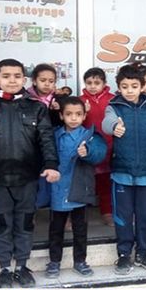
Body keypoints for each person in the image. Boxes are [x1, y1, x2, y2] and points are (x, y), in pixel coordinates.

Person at [0, 59, 60, 288]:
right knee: (2, 225)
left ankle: (21, 266)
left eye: (17, 76)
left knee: (24, 224)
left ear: (24, 79)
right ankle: (4, 268)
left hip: (27, 178)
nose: (12, 80)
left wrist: (51, 164)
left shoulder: (36, 107)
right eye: (6, 76)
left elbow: (46, 139)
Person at [102, 64, 146, 275]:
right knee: (122, 216)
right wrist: (115, 127)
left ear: (142, 87)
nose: (129, 90)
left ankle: (143, 253)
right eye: (124, 86)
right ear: (118, 87)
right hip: (122, 173)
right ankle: (123, 255)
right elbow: (106, 123)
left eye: (134, 86)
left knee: (145, 216)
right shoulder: (114, 108)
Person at [41, 97, 107, 278]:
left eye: (78, 114)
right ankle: (54, 262)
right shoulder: (54, 135)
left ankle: (80, 261)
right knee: (56, 229)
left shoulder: (89, 135)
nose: (73, 118)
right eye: (69, 114)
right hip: (57, 189)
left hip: (80, 189)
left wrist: (88, 152)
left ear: (84, 115)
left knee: (80, 230)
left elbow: (100, 153)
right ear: (61, 116)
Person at [79, 68, 115, 227]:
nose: (93, 86)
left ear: (104, 83)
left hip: (109, 146)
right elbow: (73, 122)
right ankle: (78, 216)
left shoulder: (113, 99)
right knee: (83, 183)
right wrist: (84, 113)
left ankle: (107, 212)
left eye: (97, 83)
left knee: (105, 182)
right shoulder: (80, 101)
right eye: (89, 83)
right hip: (87, 148)